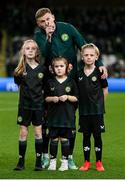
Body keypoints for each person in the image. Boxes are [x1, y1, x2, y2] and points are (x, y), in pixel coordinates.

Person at [34, 7, 108, 169]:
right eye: (42, 22)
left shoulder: (68, 28)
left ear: (53, 17)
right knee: (47, 120)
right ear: (39, 24)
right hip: (50, 81)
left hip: (71, 80)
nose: (46, 23)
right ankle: (47, 156)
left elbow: (84, 46)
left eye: (48, 19)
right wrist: (48, 37)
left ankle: (69, 157)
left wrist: (100, 64)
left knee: (70, 120)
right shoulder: (39, 35)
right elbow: (44, 55)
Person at [13, 39, 46, 171]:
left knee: (38, 132)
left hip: (38, 106)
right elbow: (19, 85)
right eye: (28, 48)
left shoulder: (43, 69)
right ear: (23, 52)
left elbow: (44, 88)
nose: (30, 50)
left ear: (37, 51)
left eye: (33, 48)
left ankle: (38, 162)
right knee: (23, 132)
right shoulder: (20, 70)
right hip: (24, 106)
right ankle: (21, 162)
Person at [77, 43, 108, 171]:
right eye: (86, 55)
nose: (89, 57)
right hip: (84, 111)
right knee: (85, 136)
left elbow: (105, 89)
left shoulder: (99, 72)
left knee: (97, 136)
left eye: (91, 55)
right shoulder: (78, 74)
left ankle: (99, 162)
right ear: (82, 57)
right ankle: (86, 162)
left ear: (96, 57)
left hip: (97, 111)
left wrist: (100, 104)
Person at [44, 57, 78, 171]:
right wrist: (52, 98)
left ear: (67, 68)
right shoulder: (50, 82)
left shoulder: (71, 82)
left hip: (67, 117)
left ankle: (64, 162)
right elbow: (45, 98)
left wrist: (67, 97)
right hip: (53, 117)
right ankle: (52, 162)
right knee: (53, 139)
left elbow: (76, 98)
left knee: (64, 139)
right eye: (56, 67)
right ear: (53, 69)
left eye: (61, 66)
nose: (59, 69)